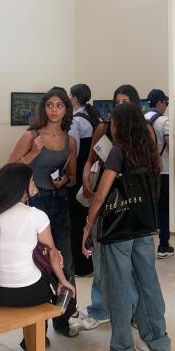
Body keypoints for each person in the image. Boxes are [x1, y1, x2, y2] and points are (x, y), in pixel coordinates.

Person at [82, 103, 171, 351]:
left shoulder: (118, 152)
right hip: (143, 227)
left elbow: (100, 194)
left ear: (119, 125)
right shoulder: (148, 151)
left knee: (119, 289)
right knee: (148, 283)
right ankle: (158, 340)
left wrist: (88, 225)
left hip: (118, 230)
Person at [0, 163, 76, 351]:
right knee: (56, 272)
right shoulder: (36, 215)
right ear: (22, 186)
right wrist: (64, 280)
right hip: (28, 293)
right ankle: (36, 345)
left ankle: (33, 344)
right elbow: (52, 255)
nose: (34, 183)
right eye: (31, 180)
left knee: (36, 268)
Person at [78, 84, 154, 331]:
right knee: (102, 264)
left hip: (130, 205)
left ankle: (131, 311)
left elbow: (149, 169)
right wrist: (87, 179)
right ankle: (101, 309)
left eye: (125, 101)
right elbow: (90, 160)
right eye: (117, 101)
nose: (120, 105)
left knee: (131, 267)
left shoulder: (145, 131)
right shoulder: (103, 127)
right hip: (105, 200)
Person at [7, 87, 80, 338]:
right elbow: (10, 168)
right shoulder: (32, 135)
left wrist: (65, 181)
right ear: (43, 108)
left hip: (58, 202)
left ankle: (64, 317)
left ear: (66, 109)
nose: (54, 110)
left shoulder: (70, 140)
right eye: (49, 105)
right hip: (33, 202)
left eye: (59, 105)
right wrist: (34, 153)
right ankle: (38, 330)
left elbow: (71, 175)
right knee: (38, 261)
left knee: (64, 259)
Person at [68, 84, 101, 277]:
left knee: (77, 219)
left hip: (80, 173)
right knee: (91, 217)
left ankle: (81, 264)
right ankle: (92, 261)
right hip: (94, 174)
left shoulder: (76, 121)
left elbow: (74, 151)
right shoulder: (95, 117)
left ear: (74, 98)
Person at [145, 89, 174, 259]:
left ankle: (145, 246)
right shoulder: (164, 121)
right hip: (164, 171)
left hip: (144, 172)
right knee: (164, 209)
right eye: (166, 103)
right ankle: (163, 246)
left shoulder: (141, 119)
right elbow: (170, 145)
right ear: (160, 103)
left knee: (150, 208)